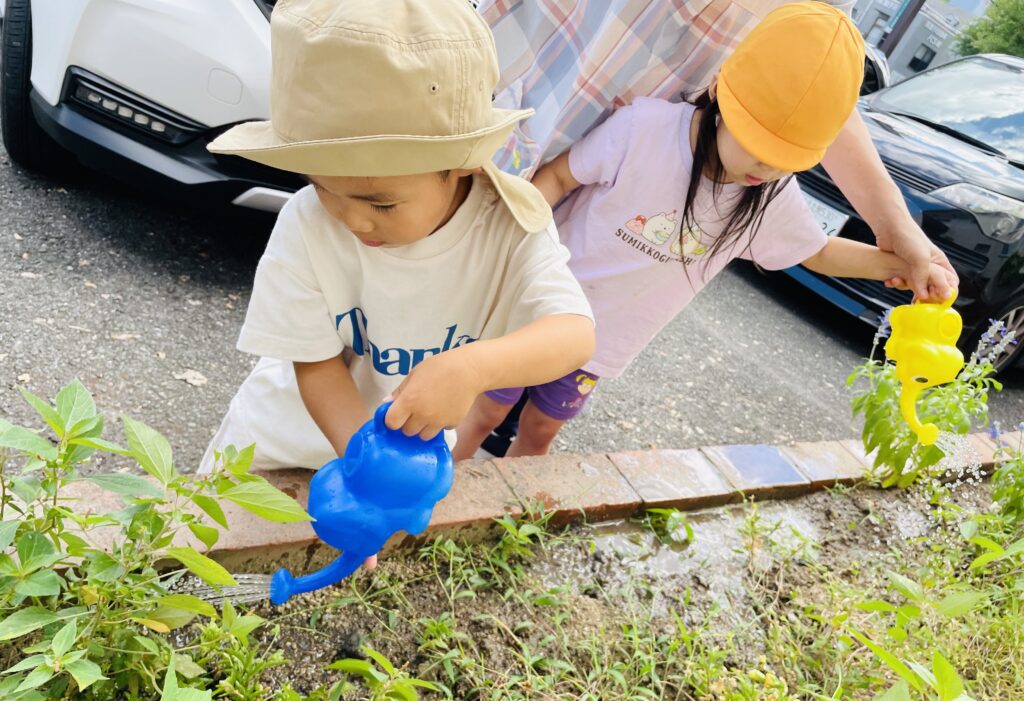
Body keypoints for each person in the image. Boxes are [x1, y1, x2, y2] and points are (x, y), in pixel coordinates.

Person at [453, 2, 957, 459]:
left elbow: (818, 252)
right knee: (484, 411)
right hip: (538, 303)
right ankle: (443, 502)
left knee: (541, 430)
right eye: (757, 145)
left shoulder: (767, 196)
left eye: (786, 159)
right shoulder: (644, 129)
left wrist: (906, 264)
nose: (765, 167)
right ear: (720, 89)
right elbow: (560, 176)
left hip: (599, 343)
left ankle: (506, 514)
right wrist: (514, 245)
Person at [199, 0, 595, 484]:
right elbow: (316, 364)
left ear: (464, 160)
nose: (352, 220)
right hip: (273, 451)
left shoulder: (509, 229)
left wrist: (474, 369)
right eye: (323, 187)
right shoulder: (306, 222)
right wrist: (367, 469)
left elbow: (574, 334)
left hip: (400, 461)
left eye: (381, 203)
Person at [479, 0, 957, 300]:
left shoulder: (748, 176)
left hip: (583, 324)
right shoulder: (648, 129)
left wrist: (897, 236)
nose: (769, 162)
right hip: (547, 70)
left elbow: (816, 86)